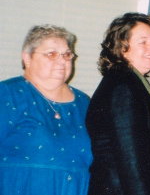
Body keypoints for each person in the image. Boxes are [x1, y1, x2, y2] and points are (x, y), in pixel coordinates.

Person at [86, 12, 150, 195]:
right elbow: (131, 161)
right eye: (143, 42)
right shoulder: (123, 87)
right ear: (122, 48)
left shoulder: (131, 82)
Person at [0, 25, 92, 195]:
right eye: (51, 54)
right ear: (27, 58)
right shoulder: (7, 95)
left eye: (66, 54)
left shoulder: (83, 102)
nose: (62, 61)